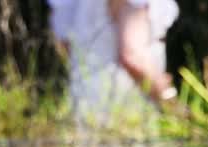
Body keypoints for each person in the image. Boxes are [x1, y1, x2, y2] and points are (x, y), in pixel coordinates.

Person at [48, 0, 179, 130]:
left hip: (83, 108)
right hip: (126, 112)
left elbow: (65, 45)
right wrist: (172, 104)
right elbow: (133, 57)